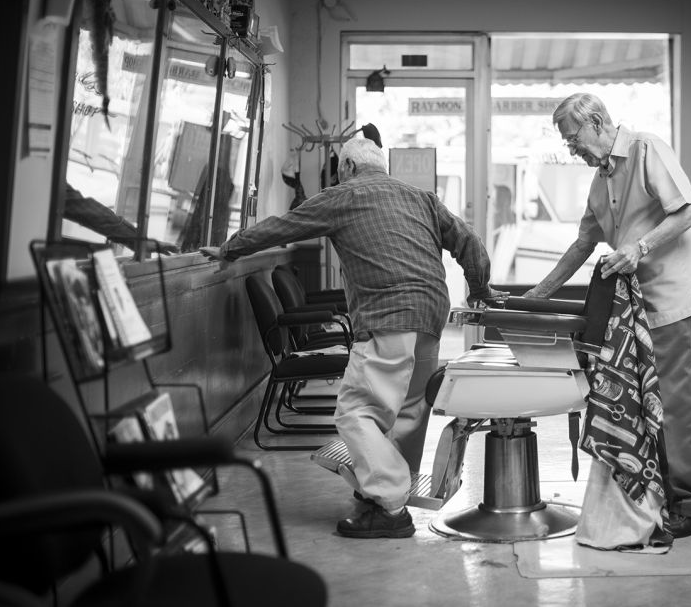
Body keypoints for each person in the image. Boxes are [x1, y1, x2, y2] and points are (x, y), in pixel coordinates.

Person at [200, 137, 506, 538]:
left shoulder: (342, 196)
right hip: (432, 312)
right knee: (409, 410)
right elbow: (470, 242)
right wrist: (479, 289)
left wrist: (229, 250)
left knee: (355, 410)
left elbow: (282, 227)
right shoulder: (421, 198)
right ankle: (385, 492)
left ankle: (391, 505)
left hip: (387, 313)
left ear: (346, 167)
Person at [524, 92, 691, 539]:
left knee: (678, 407)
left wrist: (639, 247)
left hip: (672, 303)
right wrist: (536, 296)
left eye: (573, 140)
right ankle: (661, 497)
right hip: (633, 315)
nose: (572, 150)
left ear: (595, 122)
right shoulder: (598, 183)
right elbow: (582, 245)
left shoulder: (646, 149)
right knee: (647, 410)